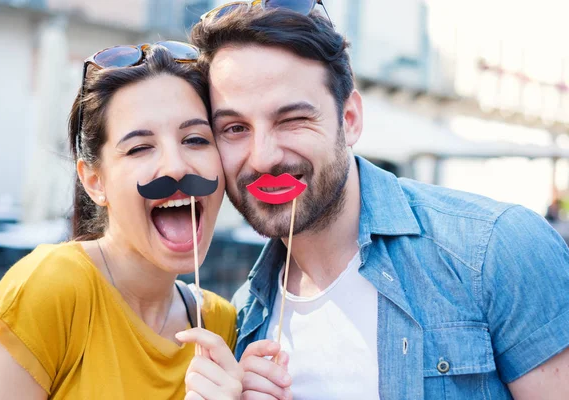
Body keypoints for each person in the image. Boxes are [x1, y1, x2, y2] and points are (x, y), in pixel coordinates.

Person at [190, 3, 569, 399]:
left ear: (349, 119)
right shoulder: (244, 317)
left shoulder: (496, 250)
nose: (263, 156)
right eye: (235, 128)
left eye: (291, 120)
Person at [0, 43, 243, 399]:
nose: (176, 167)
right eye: (140, 147)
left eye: (195, 139)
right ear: (95, 181)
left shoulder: (218, 323)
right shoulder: (51, 288)